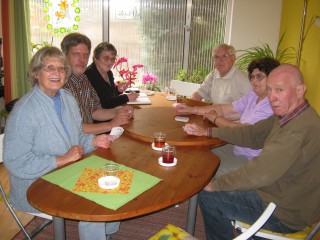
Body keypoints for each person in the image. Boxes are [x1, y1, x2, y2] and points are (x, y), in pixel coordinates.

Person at [183, 64, 320, 240]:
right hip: (279, 194)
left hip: (283, 212)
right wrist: (209, 132)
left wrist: (215, 185)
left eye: (279, 90)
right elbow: (252, 134)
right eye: (270, 89)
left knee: (207, 194)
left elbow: (259, 173)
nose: (272, 97)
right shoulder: (288, 115)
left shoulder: (297, 131)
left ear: (300, 90)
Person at [3, 47, 119, 240]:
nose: (57, 73)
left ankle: (105, 233)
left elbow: (76, 137)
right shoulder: (24, 111)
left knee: (111, 175)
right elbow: (16, 162)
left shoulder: (67, 99)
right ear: (36, 73)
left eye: (61, 68)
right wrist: (61, 160)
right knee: (96, 198)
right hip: (37, 185)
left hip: (67, 171)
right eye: (49, 67)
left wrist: (94, 141)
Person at [178, 57, 280, 177]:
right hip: (236, 147)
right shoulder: (253, 95)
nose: (254, 80)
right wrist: (192, 110)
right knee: (195, 157)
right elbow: (224, 109)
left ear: (272, 78)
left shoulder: (271, 105)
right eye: (252, 77)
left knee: (201, 171)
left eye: (259, 76)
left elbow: (244, 132)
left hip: (250, 158)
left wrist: (215, 119)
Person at [61, 33, 133, 134]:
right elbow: (73, 128)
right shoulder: (60, 85)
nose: (82, 59)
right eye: (76, 54)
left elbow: (94, 111)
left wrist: (118, 111)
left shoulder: (83, 79)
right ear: (64, 56)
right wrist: (111, 124)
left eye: (85, 55)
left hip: (89, 139)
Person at [85, 41, 139, 108]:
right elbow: (104, 103)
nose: (110, 62)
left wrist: (117, 90)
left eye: (113, 59)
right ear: (96, 58)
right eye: (106, 58)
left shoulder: (109, 73)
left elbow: (108, 95)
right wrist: (127, 97)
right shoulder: (90, 74)